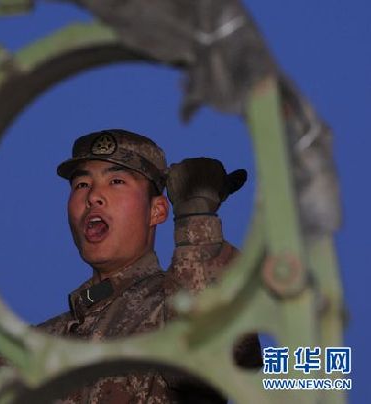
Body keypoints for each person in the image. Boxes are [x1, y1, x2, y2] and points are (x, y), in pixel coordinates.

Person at [37, 128, 261, 403]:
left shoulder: (169, 308)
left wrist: (196, 215)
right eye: (81, 185)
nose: (93, 196)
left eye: (116, 181)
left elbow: (219, 352)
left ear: (157, 211)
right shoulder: (43, 343)